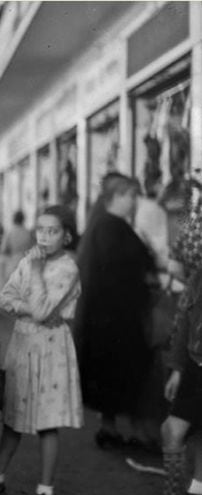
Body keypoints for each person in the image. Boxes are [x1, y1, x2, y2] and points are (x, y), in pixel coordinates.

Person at [0, 205, 83, 495]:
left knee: (47, 421)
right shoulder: (29, 261)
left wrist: (33, 290)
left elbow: (42, 310)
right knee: (14, 412)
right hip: (24, 342)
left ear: (67, 236)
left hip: (51, 348)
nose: (44, 237)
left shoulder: (67, 268)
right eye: (40, 230)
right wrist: (29, 306)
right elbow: (6, 298)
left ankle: (45, 491)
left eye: (53, 231)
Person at [75, 172, 155, 448]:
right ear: (117, 196)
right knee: (130, 372)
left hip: (103, 318)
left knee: (108, 375)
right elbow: (128, 269)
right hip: (119, 317)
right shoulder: (113, 227)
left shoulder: (100, 225)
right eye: (131, 196)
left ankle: (109, 429)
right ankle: (137, 432)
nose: (134, 202)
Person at [127, 267, 202, 495]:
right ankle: (191, 493)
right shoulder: (199, 274)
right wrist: (178, 369)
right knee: (183, 431)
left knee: (172, 430)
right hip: (195, 365)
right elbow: (185, 321)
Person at [0, 210, 34, 281]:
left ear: (14, 219)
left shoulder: (10, 232)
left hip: (13, 266)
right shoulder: (28, 233)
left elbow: (3, 249)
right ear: (23, 220)